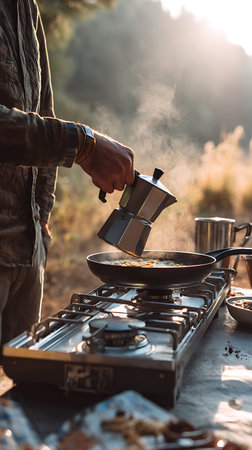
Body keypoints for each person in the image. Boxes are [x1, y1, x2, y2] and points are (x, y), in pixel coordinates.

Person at [0, 0, 134, 345]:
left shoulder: (27, 9)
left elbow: (44, 110)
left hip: (28, 251)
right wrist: (84, 145)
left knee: (17, 389)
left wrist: (41, 218)